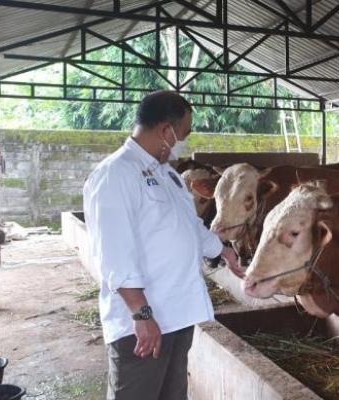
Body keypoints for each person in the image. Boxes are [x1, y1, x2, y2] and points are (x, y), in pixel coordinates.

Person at [83, 91, 244, 400]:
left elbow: (189, 226)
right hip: (143, 322)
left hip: (177, 315)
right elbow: (114, 255)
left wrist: (222, 251)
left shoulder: (166, 172)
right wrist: (141, 315)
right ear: (165, 130)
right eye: (183, 135)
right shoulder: (115, 175)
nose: (182, 143)